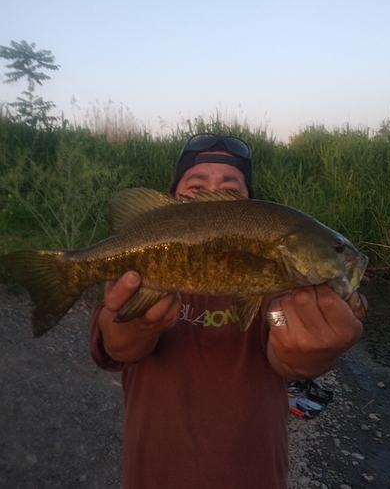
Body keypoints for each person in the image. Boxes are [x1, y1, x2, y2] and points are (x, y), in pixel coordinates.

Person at [90, 133, 366, 489]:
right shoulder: (136, 276)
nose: (209, 193)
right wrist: (135, 328)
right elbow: (115, 344)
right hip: (154, 474)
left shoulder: (279, 293)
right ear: (173, 197)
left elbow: (277, 325)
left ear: (248, 206)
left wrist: (307, 348)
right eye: (196, 185)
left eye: (229, 189)